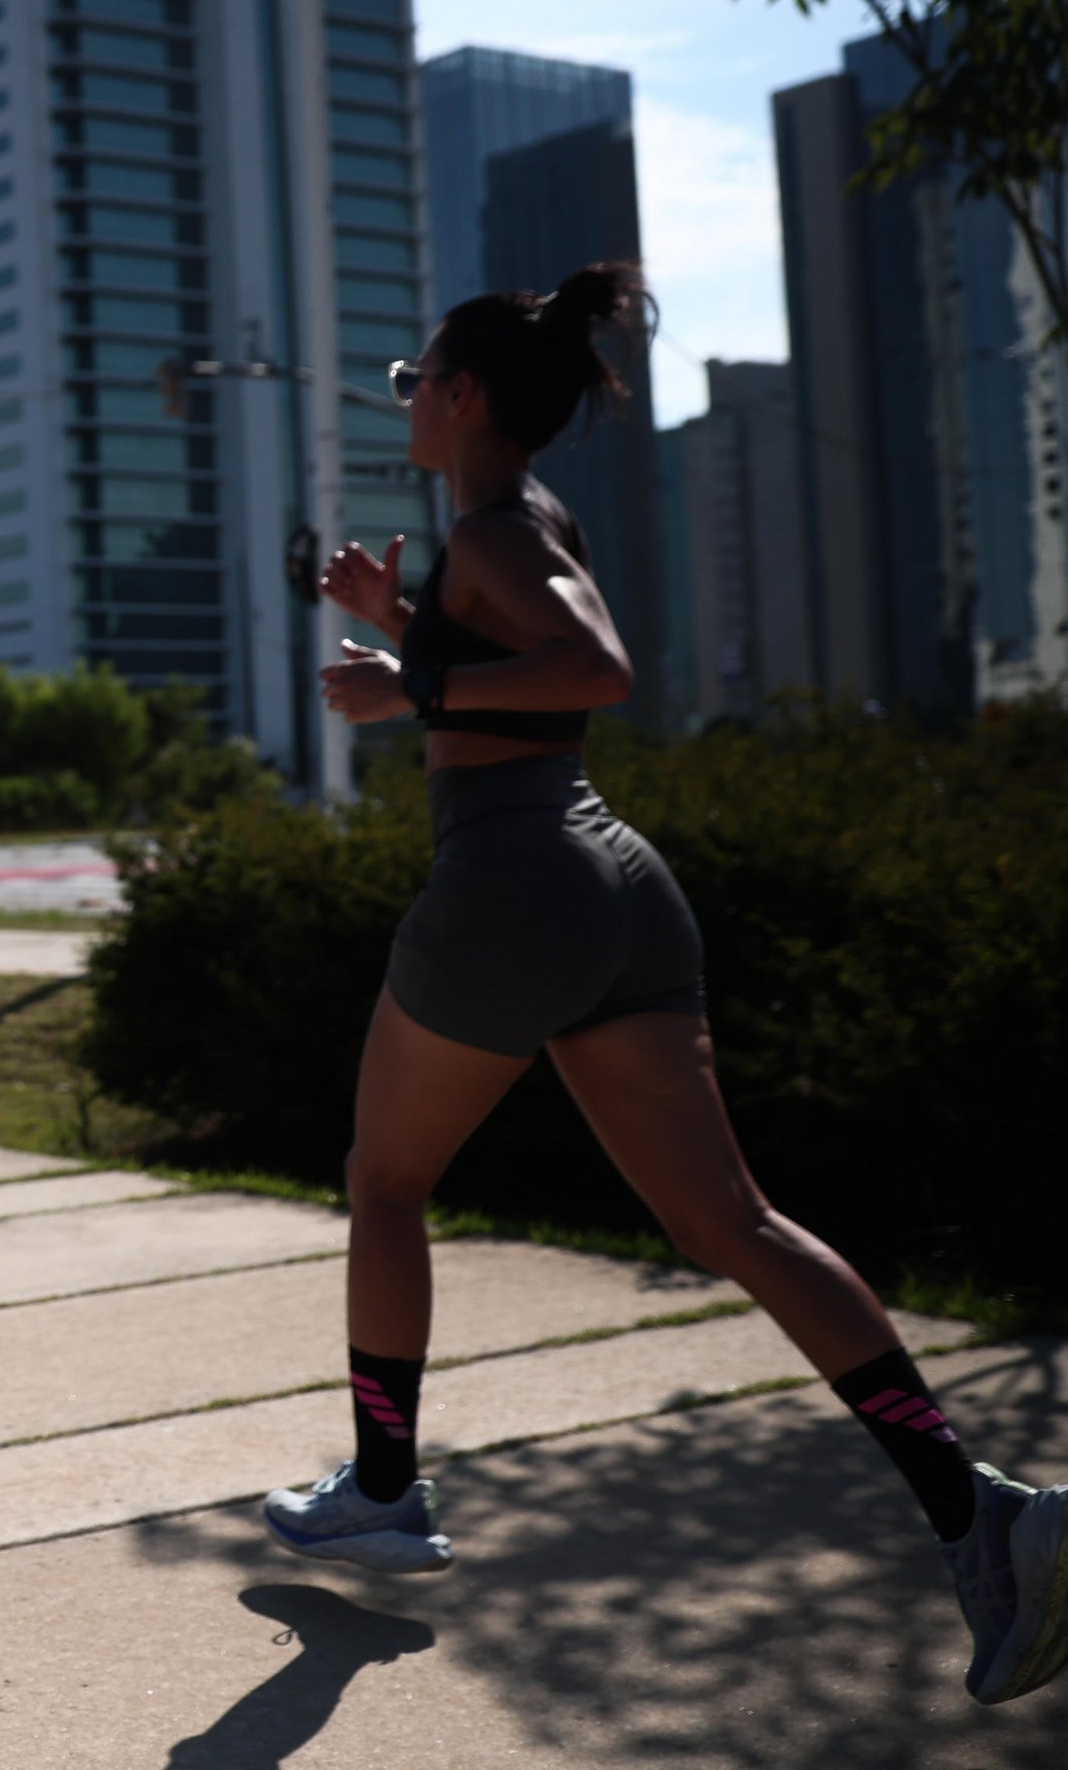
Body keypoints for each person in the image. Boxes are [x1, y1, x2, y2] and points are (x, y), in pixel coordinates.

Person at [260, 264, 1064, 1708]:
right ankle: (987, 1517)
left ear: (464, 399)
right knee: (736, 1224)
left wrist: (412, 685)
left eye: (410, 381)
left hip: (511, 884)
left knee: (384, 1183)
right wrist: (418, 628)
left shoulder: (498, 530)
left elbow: (600, 667)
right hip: (616, 884)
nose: (404, 402)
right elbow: (536, 665)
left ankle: (383, 1488)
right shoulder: (520, 528)